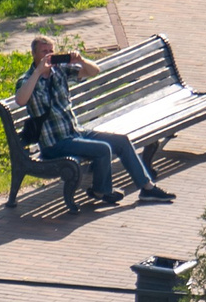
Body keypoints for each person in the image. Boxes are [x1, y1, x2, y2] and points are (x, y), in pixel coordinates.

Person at [14, 37, 176, 205]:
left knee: (121, 141)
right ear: (34, 54)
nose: (49, 55)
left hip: (75, 132)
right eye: (44, 52)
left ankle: (147, 188)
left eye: (51, 51)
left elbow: (94, 71)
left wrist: (81, 60)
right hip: (55, 143)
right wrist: (38, 72)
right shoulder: (27, 80)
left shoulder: (60, 71)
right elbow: (21, 100)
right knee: (103, 149)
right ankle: (101, 191)